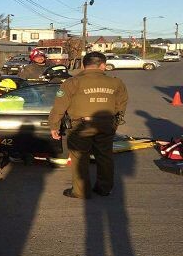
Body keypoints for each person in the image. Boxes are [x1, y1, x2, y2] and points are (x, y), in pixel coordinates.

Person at [48, 52, 128, 199]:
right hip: (106, 124)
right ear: (103, 65)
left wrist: (54, 126)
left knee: (79, 157)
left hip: (81, 125)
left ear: (83, 65)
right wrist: (113, 122)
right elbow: (121, 105)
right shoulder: (116, 83)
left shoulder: (72, 82)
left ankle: (81, 191)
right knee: (105, 156)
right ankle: (104, 188)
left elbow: (59, 106)